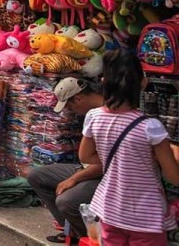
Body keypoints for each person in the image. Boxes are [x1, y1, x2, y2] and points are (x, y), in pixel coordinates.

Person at [79, 49, 179, 245]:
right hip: (146, 216)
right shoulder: (150, 128)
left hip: (110, 209)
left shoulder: (94, 117)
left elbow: (85, 156)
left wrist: (121, 160)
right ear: (142, 82)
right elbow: (174, 177)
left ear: (103, 81)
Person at [27, 78, 104, 243]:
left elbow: (106, 163)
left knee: (66, 201)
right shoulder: (92, 115)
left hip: (104, 176)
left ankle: (91, 238)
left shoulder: (103, 116)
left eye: (70, 106)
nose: (71, 110)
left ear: (78, 98)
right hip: (88, 168)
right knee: (36, 176)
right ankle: (72, 231)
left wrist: (74, 179)